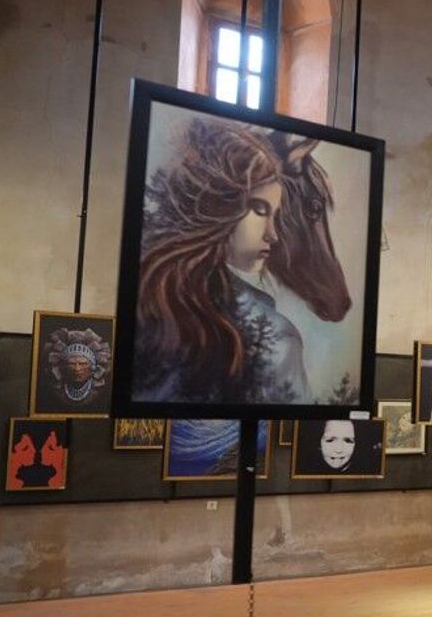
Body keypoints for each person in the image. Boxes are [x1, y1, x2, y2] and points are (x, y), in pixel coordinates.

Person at [135, 119, 335, 405]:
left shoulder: (150, 306)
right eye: (259, 210)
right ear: (218, 205)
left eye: (275, 215)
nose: (273, 234)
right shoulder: (277, 338)